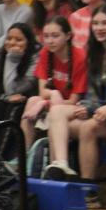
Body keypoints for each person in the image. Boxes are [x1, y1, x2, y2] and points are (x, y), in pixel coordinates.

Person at [44, 5, 106, 185]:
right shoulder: (94, 51)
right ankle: (60, 166)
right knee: (56, 114)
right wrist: (86, 106)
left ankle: (88, 186)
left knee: (86, 128)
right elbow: (92, 90)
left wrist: (90, 108)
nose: (100, 28)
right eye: (96, 23)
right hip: (97, 111)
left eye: (105, 23)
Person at [21, 16, 87, 146]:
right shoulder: (46, 52)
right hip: (54, 102)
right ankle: (24, 154)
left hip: (75, 107)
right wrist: (52, 95)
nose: (50, 41)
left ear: (68, 36)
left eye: (55, 36)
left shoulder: (79, 57)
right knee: (32, 101)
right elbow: (42, 91)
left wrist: (44, 103)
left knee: (39, 103)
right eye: (46, 36)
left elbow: (74, 100)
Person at [0, 23, 39, 126]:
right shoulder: (0, 58)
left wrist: (12, 59)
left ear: (28, 43)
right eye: (9, 38)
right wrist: (6, 98)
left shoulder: (36, 59)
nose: (12, 43)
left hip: (28, 101)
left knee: (13, 108)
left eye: (18, 40)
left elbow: (14, 90)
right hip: (5, 100)